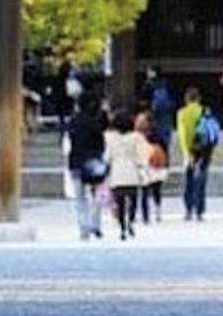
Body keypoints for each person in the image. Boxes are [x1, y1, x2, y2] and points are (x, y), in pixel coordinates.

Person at [65, 98, 108, 240]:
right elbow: (102, 144)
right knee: (100, 192)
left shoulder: (73, 122)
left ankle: (84, 226)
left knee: (80, 197)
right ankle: (95, 222)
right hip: (94, 161)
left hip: (76, 161)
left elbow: (68, 140)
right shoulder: (95, 123)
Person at [104, 109, 148, 241]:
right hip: (132, 172)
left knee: (120, 202)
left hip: (117, 173)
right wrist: (143, 168)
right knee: (133, 200)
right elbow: (142, 155)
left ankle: (122, 227)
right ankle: (131, 221)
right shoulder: (137, 137)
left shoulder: (109, 137)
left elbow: (107, 156)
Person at [176, 87, 219, 221]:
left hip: (190, 150)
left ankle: (189, 209)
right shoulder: (205, 111)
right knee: (201, 179)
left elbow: (182, 134)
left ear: (186, 99)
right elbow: (213, 131)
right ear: (199, 98)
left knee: (189, 180)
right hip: (204, 150)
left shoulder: (182, 113)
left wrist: (185, 153)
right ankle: (199, 210)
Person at [136, 110, 169, 224]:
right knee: (150, 190)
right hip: (152, 166)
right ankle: (152, 213)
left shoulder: (141, 137)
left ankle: (151, 214)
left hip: (151, 165)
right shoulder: (157, 135)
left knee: (150, 190)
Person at [141, 66, 176, 148]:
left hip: (163, 119)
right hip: (154, 118)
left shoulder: (167, 85)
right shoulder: (147, 85)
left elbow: (174, 102)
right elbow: (142, 101)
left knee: (162, 142)